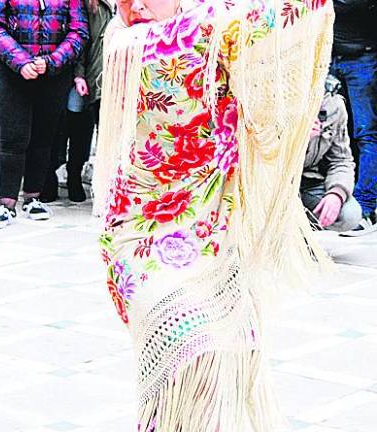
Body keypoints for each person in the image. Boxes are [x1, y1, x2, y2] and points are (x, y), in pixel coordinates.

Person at [95, 0, 334, 430]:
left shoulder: (208, 29)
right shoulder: (132, 43)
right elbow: (267, 21)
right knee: (186, 353)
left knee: (229, 353)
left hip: (212, 231)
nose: (138, 6)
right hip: (138, 238)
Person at [0, 0, 88, 228]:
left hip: (53, 74)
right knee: (12, 139)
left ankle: (33, 198)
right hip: (14, 72)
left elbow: (78, 31)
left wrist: (52, 61)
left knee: (43, 138)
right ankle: (7, 204)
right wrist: (21, 61)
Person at [43, 0, 113, 203]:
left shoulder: (116, 6)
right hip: (73, 71)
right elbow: (82, 39)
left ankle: (74, 173)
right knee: (61, 123)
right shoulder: (90, 5)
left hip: (98, 77)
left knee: (81, 126)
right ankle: (51, 175)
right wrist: (79, 74)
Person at [330, 0, 377, 237]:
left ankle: (366, 209)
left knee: (367, 133)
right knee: (328, 131)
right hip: (329, 56)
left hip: (363, 58)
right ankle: (330, 202)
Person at [301, 75, 362, 232]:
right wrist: (298, 140)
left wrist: (337, 193)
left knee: (350, 215)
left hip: (309, 181)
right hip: (275, 183)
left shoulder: (333, 104)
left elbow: (342, 160)